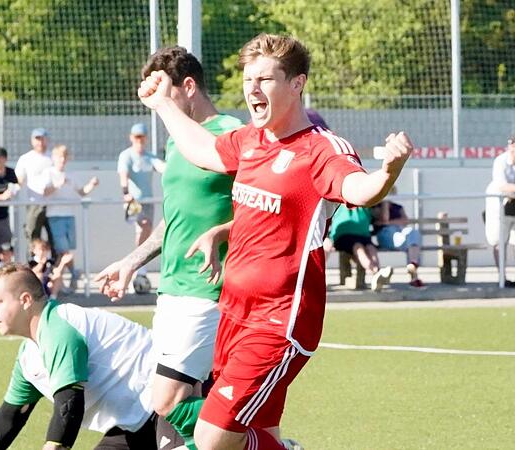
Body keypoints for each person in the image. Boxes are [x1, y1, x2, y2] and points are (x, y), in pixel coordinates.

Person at [137, 33, 413, 450]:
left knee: (212, 438)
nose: (252, 89)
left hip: (279, 322)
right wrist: (162, 105)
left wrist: (388, 172)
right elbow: (203, 149)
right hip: (232, 313)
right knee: (259, 433)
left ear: (297, 83)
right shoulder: (250, 140)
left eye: (265, 79)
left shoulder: (320, 149)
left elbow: (361, 189)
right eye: (248, 79)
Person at [97, 46, 243, 449]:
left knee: (166, 399)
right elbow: (173, 220)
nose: (158, 111)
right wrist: (132, 261)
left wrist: (221, 233)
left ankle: (262, 441)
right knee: (183, 407)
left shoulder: (232, 134)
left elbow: (262, 208)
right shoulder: (177, 144)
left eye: (164, 95)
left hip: (209, 290)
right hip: (172, 290)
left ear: (189, 86)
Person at [0, 263, 157, 450]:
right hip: (135, 422)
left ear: (25, 300)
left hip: (169, 402)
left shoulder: (58, 329)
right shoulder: (28, 355)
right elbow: (9, 417)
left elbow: (69, 405)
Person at [43, 145, 99, 293]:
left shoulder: (71, 175)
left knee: (67, 250)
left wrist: (92, 185)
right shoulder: (49, 173)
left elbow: (82, 192)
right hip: (55, 215)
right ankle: (74, 274)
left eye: (64, 157)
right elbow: (44, 192)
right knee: (63, 250)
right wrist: (57, 185)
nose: (62, 160)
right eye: (59, 157)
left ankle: (66, 281)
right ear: (53, 158)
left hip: (69, 214)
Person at [117, 122, 166, 291]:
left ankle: (140, 268)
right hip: (134, 202)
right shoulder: (126, 156)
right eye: (136, 137)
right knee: (143, 226)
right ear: (131, 138)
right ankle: (136, 266)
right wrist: (125, 192)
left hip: (148, 201)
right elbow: (124, 174)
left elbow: (162, 167)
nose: (139, 140)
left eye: (142, 137)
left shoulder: (149, 156)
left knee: (148, 230)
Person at [329, 205, 393, 291]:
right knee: (358, 248)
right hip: (344, 236)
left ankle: (377, 273)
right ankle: (376, 272)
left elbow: (383, 219)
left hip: (363, 236)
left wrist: (385, 203)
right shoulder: (339, 203)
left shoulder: (367, 205)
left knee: (371, 248)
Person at [371, 187, 424, 287]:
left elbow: (405, 221)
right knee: (407, 239)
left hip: (400, 233)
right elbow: (384, 219)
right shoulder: (375, 207)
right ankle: (414, 274)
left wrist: (389, 222)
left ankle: (412, 265)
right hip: (386, 235)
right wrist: (385, 204)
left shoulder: (398, 207)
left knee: (413, 233)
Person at [15, 128, 54, 250]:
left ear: (47, 140)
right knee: (32, 236)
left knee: (54, 238)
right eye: (37, 139)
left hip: (53, 204)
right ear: (32, 141)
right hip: (33, 204)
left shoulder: (53, 157)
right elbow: (19, 180)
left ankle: (52, 266)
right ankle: (33, 266)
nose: (40, 142)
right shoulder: (25, 158)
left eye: (42, 138)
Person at [484, 134, 515, 286]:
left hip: (513, 204)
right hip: (499, 206)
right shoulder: (501, 161)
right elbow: (502, 186)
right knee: (499, 241)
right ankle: (502, 277)